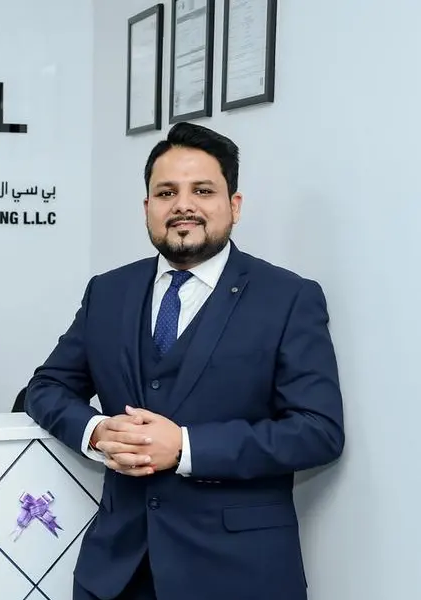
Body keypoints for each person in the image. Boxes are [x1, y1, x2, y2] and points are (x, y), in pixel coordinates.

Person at [24, 122, 345, 600]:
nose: (183, 205)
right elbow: (45, 387)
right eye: (166, 192)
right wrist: (97, 432)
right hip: (115, 576)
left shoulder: (288, 298)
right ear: (147, 208)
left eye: (203, 190)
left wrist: (186, 448)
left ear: (234, 205)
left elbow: (318, 431)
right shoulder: (107, 291)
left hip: (240, 577)